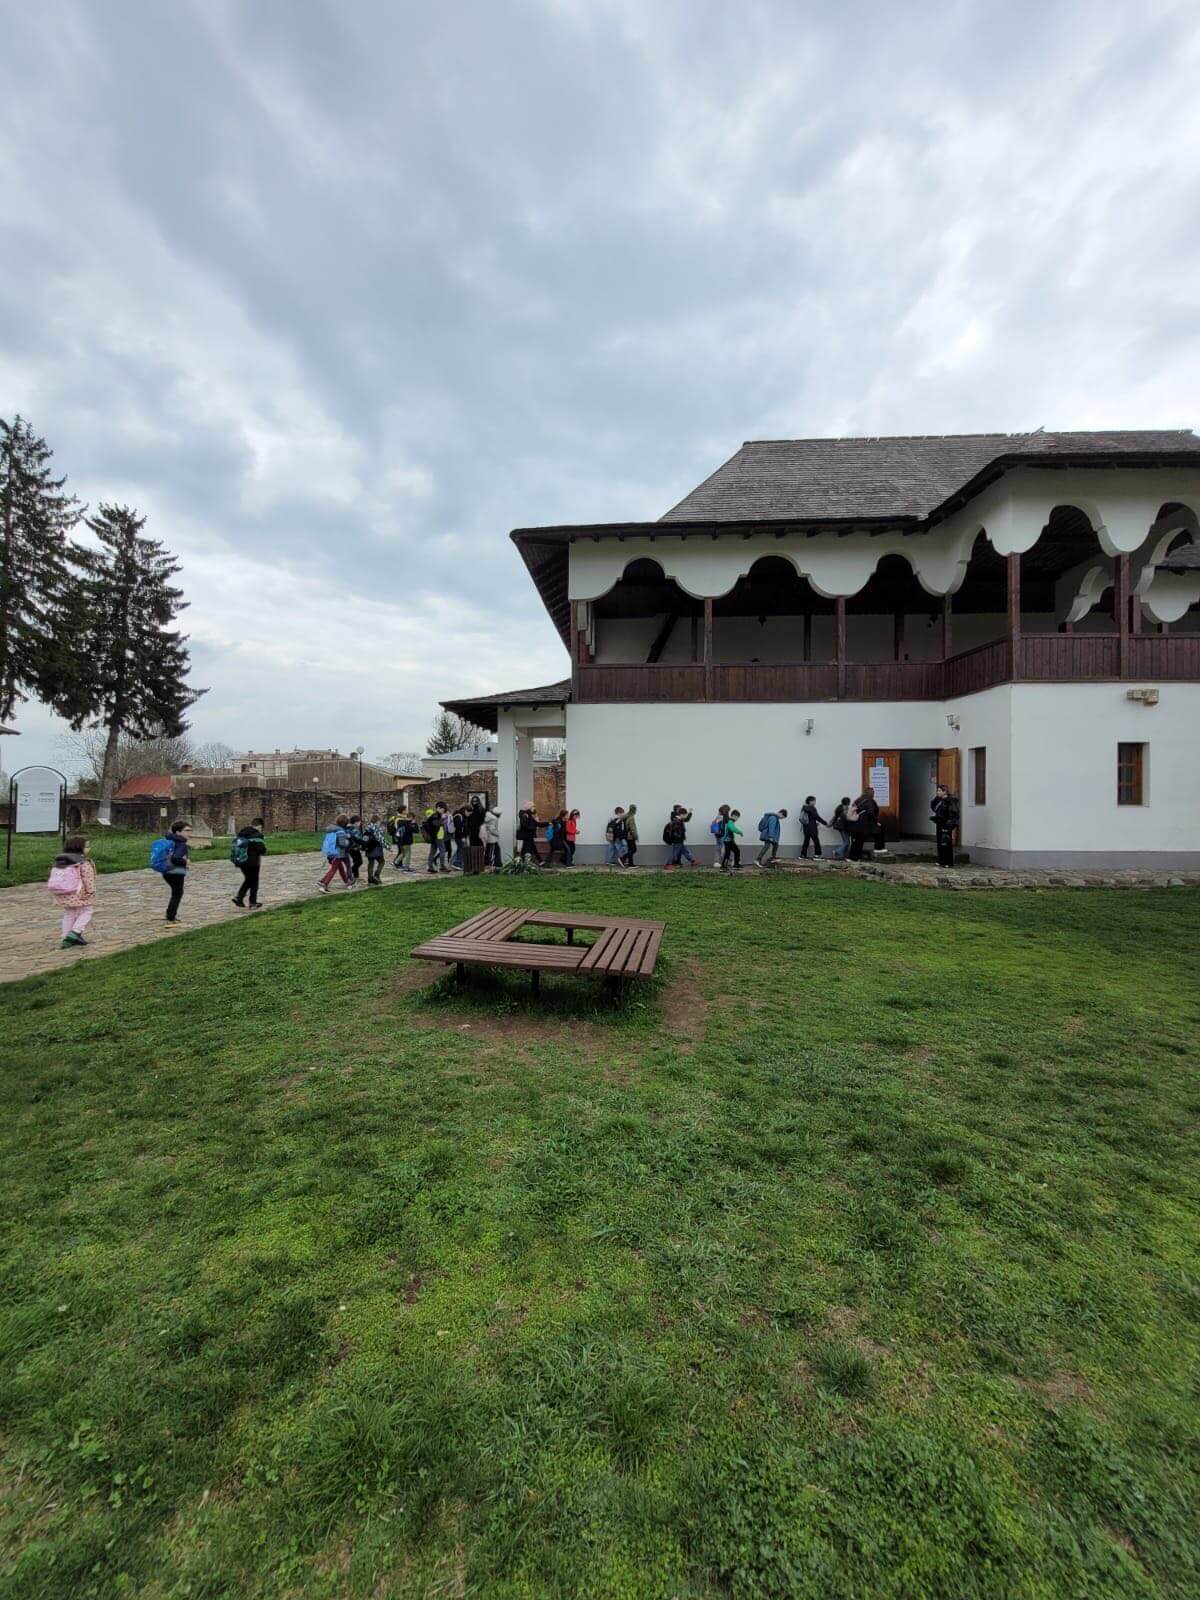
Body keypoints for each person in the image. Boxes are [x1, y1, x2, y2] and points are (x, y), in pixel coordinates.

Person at [48, 835, 97, 948]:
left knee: (69, 913)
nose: (89, 848)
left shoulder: (61, 860)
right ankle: (75, 933)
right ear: (79, 848)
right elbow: (88, 879)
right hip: (79, 892)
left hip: (63, 893)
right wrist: (90, 892)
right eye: (87, 846)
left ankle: (66, 937)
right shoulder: (83, 862)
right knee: (87, 911)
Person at [158, 819, 191, 920]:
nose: (189, 833)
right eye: (186, 830)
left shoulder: (169, 840)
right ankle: (171, 916)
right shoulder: (181, 844)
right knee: (177, 893)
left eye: (190, 830)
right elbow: (176, 858)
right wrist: (185, 862)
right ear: (178, 832)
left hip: (165, 870)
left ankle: (170, 914)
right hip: (176, 871)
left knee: (175, 892)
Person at [231, 817, 267, 908]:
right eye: (261, 828)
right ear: (259, 826)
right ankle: (252, 903)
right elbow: (262, 850)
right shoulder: (257, 835)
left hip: (241, 860)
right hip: (253, 862)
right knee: (254, 882)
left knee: (249, 879)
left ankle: (239, 898)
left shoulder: (242, 833)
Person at [318, 815, 354, 890]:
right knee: (334, 869)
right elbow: (342, 844)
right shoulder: (340, 831)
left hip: (331, 852)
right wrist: (348, 842)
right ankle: (324, 885)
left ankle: (347, 883)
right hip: (339, 853)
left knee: (341, 868)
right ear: (345, 823)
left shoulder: (331, 829)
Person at [931, 782, 960, 868]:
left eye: (939, 791)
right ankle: (941, 861)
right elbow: (933, 806)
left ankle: (949, 862)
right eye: (937, 790)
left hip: (946, 825)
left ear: (945, 792)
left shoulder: (950, 801)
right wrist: (937, 797)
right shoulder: (940, 801)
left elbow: (953, 813)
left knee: (946, 843)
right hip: (940, 823)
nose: (937, 792)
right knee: (940, 842)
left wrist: (949, 824)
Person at [423, 803, 449, 872]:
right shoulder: (435, 815)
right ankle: (442, 866)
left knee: (433, 851)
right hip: (437, 836)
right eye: (442, 809)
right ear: (438, 808)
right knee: (442, 850)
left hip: (435, 836)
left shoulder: (436, 815)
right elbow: (436, 824)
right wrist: (442, 819)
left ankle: (430, 867)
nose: (443, 811)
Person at [363, 814, 387, 884]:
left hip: (369, 849)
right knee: (382, 862)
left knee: (371, 863)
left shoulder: (367, 828)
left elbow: (364, 838)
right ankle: (377, 875)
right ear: (377, 821)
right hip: (376, 849)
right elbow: (380, 840)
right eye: (379, 822)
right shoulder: (377, 829)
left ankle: (370, 878)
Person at [346, 815, 365, 882]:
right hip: (354, 848)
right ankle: (349, 873)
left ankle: (356, 877)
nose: (360, 823)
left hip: (350, 848)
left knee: (356, 862)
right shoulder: (354, 829)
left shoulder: (348, 828)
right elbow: (358, 839)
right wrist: (364, 843)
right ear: (356, 822)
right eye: (359, 822)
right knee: (359, 862)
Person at [483, 804, 502, 870]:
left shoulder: (488, 816)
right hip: (492, 838)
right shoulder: (494, 819)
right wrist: (498, 834)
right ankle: (491, 865)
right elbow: (492, 829)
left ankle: (494, 864)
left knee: (490, 850)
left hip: (488, 837)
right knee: (492, 852)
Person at [624, 803, 639, 868]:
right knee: (633, 849)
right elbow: (633, 829)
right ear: (634, 810)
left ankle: (631, 864)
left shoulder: (627, 816)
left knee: (630, 849)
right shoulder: (631, 817)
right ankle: (622, 858)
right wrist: (636, 837)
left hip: (627, 835)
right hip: (630, 836)